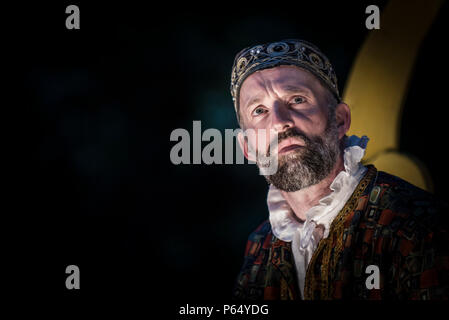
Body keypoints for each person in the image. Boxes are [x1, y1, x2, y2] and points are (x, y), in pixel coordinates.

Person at [230, 39, 448, 300]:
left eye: (297, 99)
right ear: (247, 148)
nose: (279, 122)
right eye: (259, 110)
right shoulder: (258, 248)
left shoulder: (416, 224)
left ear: (340, 119)